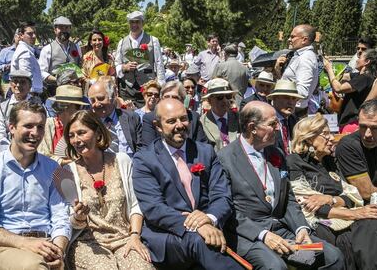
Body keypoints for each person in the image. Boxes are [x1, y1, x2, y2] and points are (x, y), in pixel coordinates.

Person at [217, 101, 345, 270]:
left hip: (282, 230)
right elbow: (227, 209)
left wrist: (301, 228)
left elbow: (288, 198)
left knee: (333, 257)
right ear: (252, 127)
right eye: (272, 124)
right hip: (248, 235)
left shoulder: (275, 153)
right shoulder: (225, 158)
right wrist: (263, 235)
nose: (278, 128)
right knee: (275, 267)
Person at [132, 98, 242, 270]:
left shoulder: (205, 152)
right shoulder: (145, 159)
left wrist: (209, 218)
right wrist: (197, 226)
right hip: (168, 234)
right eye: (171, 121)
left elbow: (222, 195)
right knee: (199, 240)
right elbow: (154, 209)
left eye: (183, 118)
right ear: (158, 126)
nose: (180, 125)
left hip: (209, 229)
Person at [0, 100, 71, 270]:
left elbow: (60, 217)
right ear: (11, 127)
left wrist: (59, 250)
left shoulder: (54, 169)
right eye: (28, 126)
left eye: (40, 127)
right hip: (7, 246)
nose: (35, 133)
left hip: (48, 244)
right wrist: (25, 243)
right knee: (34, 266)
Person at [62, 110, 154, 270]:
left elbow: (135, 205)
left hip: (124, 238)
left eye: (81, 133)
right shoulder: (68, 172)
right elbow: (66, 220)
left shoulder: (122, 160)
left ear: (98, 133)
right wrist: (79, 217)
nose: (76, 140)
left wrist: (134, 236)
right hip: (88, 242)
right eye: (71, 135)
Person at [287, 113, 377, 270]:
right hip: (320, 223)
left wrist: (330, 199)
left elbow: (353, 195)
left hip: (344, 216)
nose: (331, 138)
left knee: (373, 226)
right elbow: (309, 205)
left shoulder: (330, 161)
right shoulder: (294, 162)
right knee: (355, 237)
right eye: (325, 134)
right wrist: (354, 213)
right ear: (309, 138)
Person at [115, 11, 165, 108]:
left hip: (147, 86)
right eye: (132, 22)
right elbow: (117, 63)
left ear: (143, 23)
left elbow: (159, 63)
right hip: (127, 88)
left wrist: (160, 84)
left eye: (137, 22)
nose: (134, 25)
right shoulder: (122, 42)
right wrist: (124, 67)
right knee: (127, 116)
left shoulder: (153, 40)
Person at [324, 49, 377, 133]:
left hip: (352, 123)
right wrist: (330, 68)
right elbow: (342, 77)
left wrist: (329, 69)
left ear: (367, 61)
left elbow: (339, 88)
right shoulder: (360, 76)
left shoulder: (365, 78)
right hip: (350, 122)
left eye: (360, 57)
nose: (357, 60)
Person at [336, 100, 377, 202]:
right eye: (363, 126)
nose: (367, 134)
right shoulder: (349, 146)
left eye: (375, 128)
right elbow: (367, 193)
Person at [141, 81, 207, 146]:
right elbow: (147, 148)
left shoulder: (193, 117)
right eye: (166, 97)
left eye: (175, 98)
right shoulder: (150, 118)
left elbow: (202, 146)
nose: (170, 101)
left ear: (182, 100)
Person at [88, 76, 142, 156]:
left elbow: (141, 149)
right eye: (93, 101)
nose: (97, 103)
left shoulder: (131, 117)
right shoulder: (89, 123)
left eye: (100, 98)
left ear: (112, 97)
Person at [38, 84, 88, 165]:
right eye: (78, 106)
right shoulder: (48, 124)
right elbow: (41, 154)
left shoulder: (85, 126)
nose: (80, 110)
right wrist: (63, 162)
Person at [276, 24, 319, 116]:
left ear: (304, 39)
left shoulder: (305, 58)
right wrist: (277, 70)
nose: (289, 39)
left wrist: (278, 94)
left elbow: (303, 91)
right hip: (290, 110)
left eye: (292, 37)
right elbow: (289, 83)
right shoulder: (300, 56)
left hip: (293, 111)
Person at [0, 70, 40, 144]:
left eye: (23, 82)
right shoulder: (2, 107)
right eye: (15, 81)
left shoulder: (38, 105)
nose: (18, 85)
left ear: (30, 86)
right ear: (10, 85)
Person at [39, 16, 81, 96]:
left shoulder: (77, 47)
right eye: (61, 28)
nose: (64, 30)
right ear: (55, 30)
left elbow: (80, 65)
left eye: (66, 28)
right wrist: (57, 80)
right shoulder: (47, 49)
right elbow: (42, 72)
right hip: (55, 91)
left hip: (74, 90)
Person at [200, 78, 239, 152]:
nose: (225, 100)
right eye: (219, 97)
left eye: (228, 96)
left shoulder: (238, 118)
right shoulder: (202, 122)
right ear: (209, 100)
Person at [267, 80, 304, 155]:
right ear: (275, 98)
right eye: (286, 98)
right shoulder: (266, 120)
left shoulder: (294, 120)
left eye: (294, 98)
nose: (291, 102)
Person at [11, 21, 43, 94]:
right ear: (21, 35)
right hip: (29, 95)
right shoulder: (25, 52)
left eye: (35, 33)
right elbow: (25, 80)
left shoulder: (26, 50)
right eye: (30, 34)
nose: (34, 36)